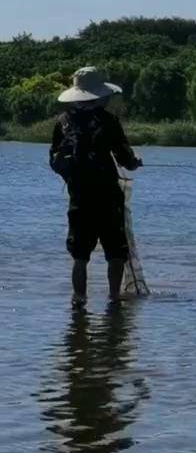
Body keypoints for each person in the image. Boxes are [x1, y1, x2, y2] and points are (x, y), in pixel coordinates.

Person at [49, 66, 142, 303]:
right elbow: (124, 158)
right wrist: (135, 163)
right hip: (108, 195)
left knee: (80, 255)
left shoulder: (63, 122)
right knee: (115, 252)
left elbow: (54, 160)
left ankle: (79, 299)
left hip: (79, 196)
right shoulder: (108, 120)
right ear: (99, 94)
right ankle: (113, 298)